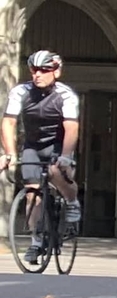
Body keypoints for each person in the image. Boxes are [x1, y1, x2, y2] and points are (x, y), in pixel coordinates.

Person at [2, 49, 81, 230]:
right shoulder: (20, 92)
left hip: (58, 144)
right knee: (32, 191)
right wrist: (9, 154)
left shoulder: (66, 95)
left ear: (56, 72)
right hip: (33, 145)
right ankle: (36, 239)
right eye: (34, 70)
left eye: (44, 70)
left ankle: (71, 201)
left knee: (55, 171)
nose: (37, 74)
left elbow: (71, 127)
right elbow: (8, 122)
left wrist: (66, 156)